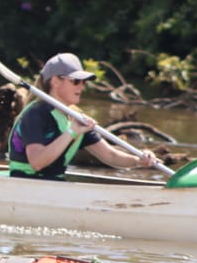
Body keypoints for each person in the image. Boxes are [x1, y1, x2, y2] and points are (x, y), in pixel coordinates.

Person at [8, 52, 158, 179]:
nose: (82, 86)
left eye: (83, 82)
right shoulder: (35, 114)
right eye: (76, 81)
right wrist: (71, 132)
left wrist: (138, 160)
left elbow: (110, 156)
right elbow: (37, 162)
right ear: (55, 81)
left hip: (54, 183)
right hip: (25, 181)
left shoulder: (77, 116)